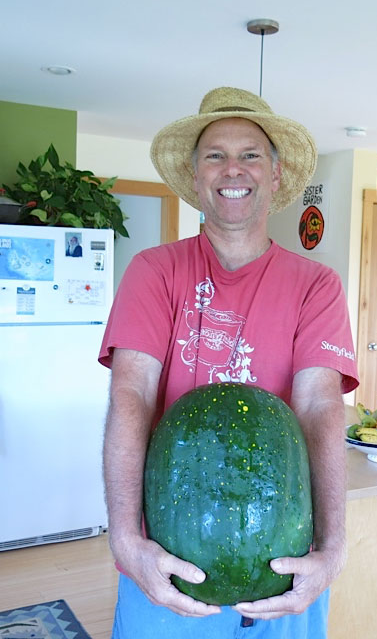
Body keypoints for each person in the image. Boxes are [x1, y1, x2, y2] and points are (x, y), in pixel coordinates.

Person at [99, 86, 359, 639]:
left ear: (276, 173)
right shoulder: (153, 271)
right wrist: (125, 539)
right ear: (195, 177)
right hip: (167, 562)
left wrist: (334, 548)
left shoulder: (317, 284)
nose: (232, 169)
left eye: (250, 154)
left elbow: (320, 407)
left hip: (286, 566)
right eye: (215, 154)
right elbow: (131, 397)